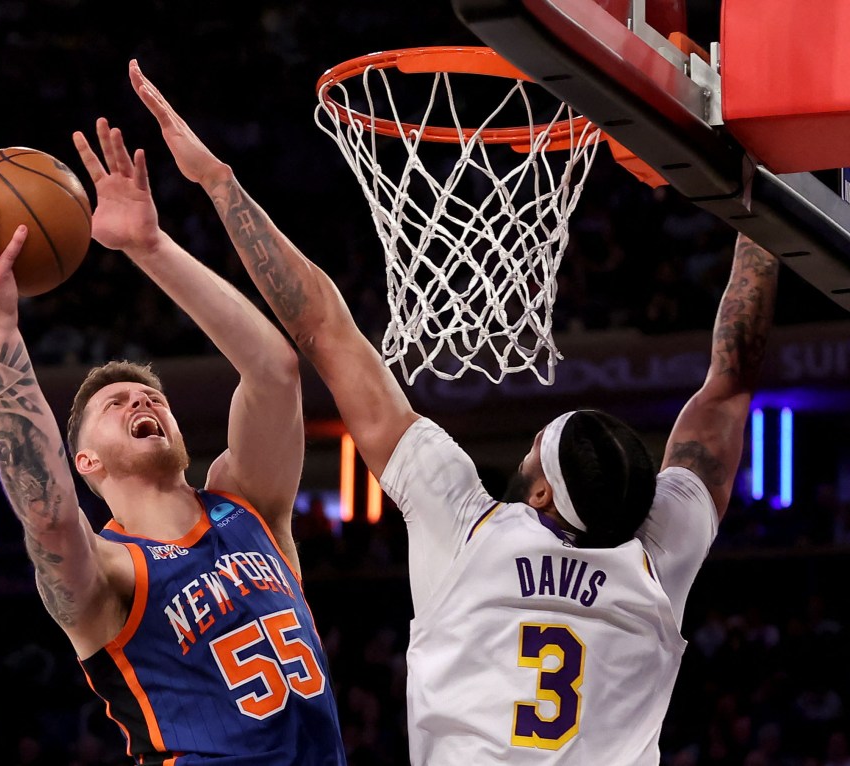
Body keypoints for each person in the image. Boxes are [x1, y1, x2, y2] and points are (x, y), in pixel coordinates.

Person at [127, 58, 780, 764]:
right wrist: (771, 191)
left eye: (536, 446)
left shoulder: (476, 530)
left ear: (538, 492)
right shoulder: (655, 558)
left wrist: (220, 184)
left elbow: (323, 326)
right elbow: (729, 386)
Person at [0, 114, 346, 764]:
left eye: (151, 396)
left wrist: (150, 247)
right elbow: (46, 512)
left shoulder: (250, 507)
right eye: (115, 403)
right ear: (86, 461)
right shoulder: (109, 572)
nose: (142, 399)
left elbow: (274, 370)